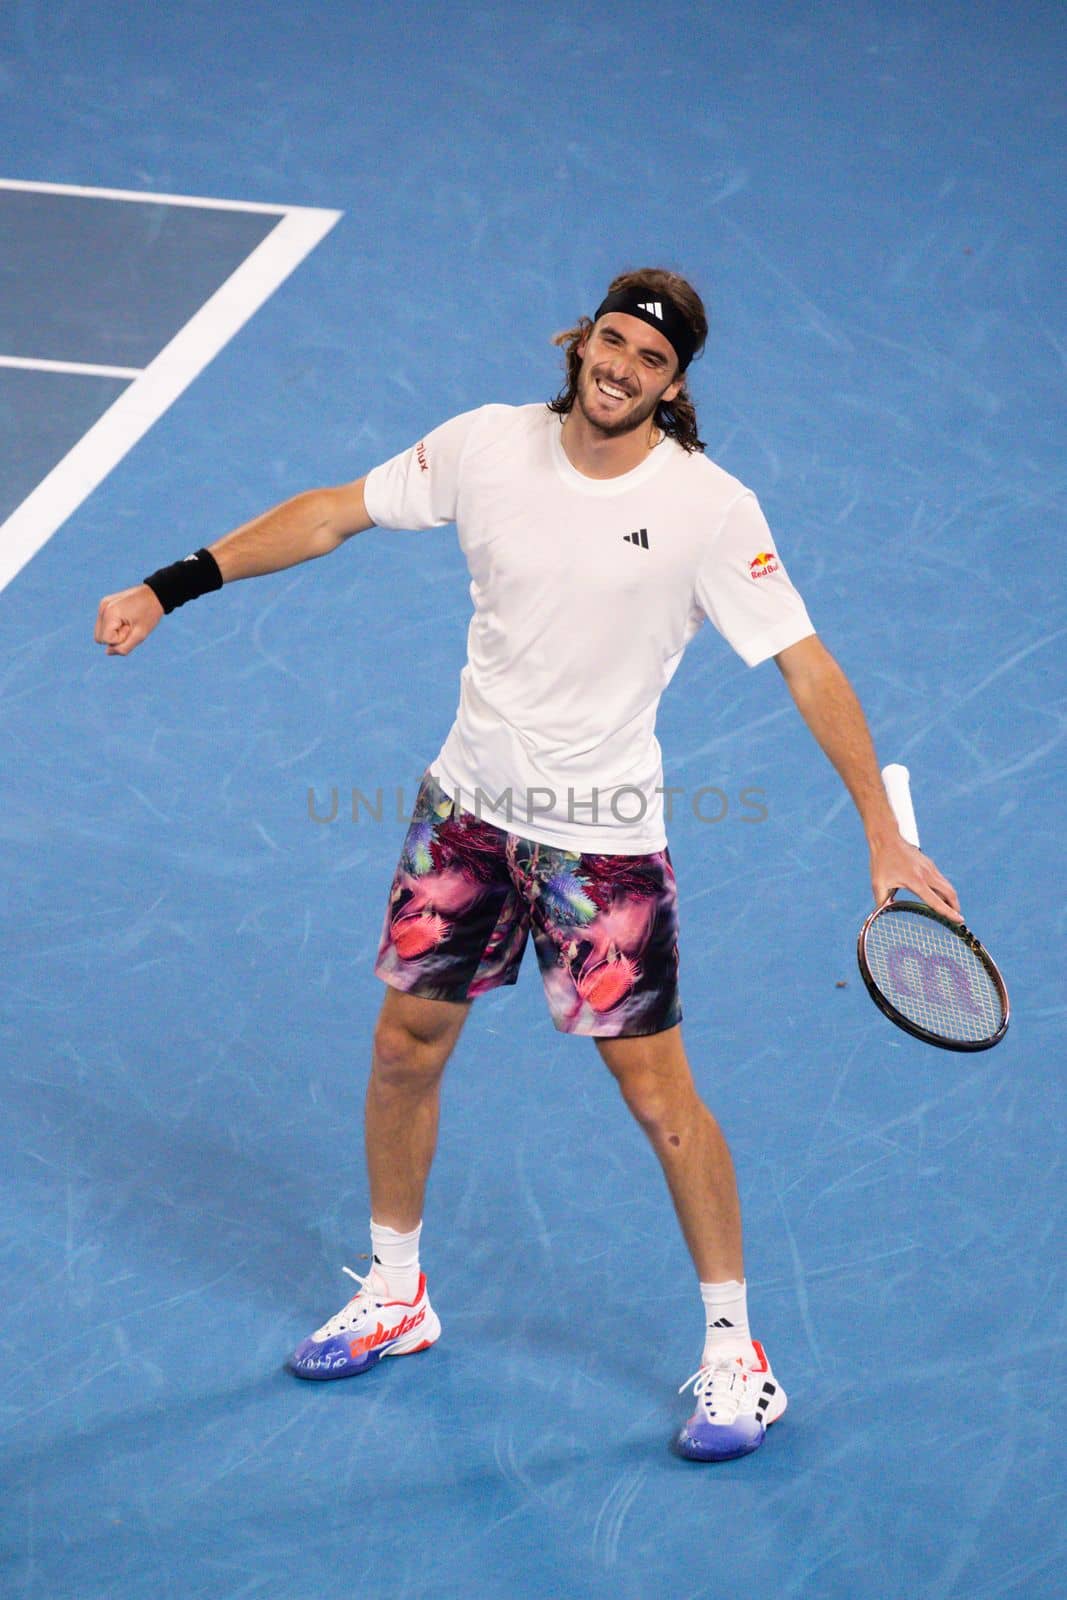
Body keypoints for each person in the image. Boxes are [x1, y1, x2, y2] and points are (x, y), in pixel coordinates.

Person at [94, 267, 961, 1462]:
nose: (622, 370)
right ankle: (396, 1289)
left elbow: (805, 663)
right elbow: (332, 511)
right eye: (612, 343)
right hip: (463, 815)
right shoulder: (486, 447)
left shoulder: (710, 508)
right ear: (580, 342)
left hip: (599, 845)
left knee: (658, 1097)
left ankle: (733, 1356)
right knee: (403, 1048)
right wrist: (170, 582)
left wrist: (878, 827)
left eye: (650, 362)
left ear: (673, 384)